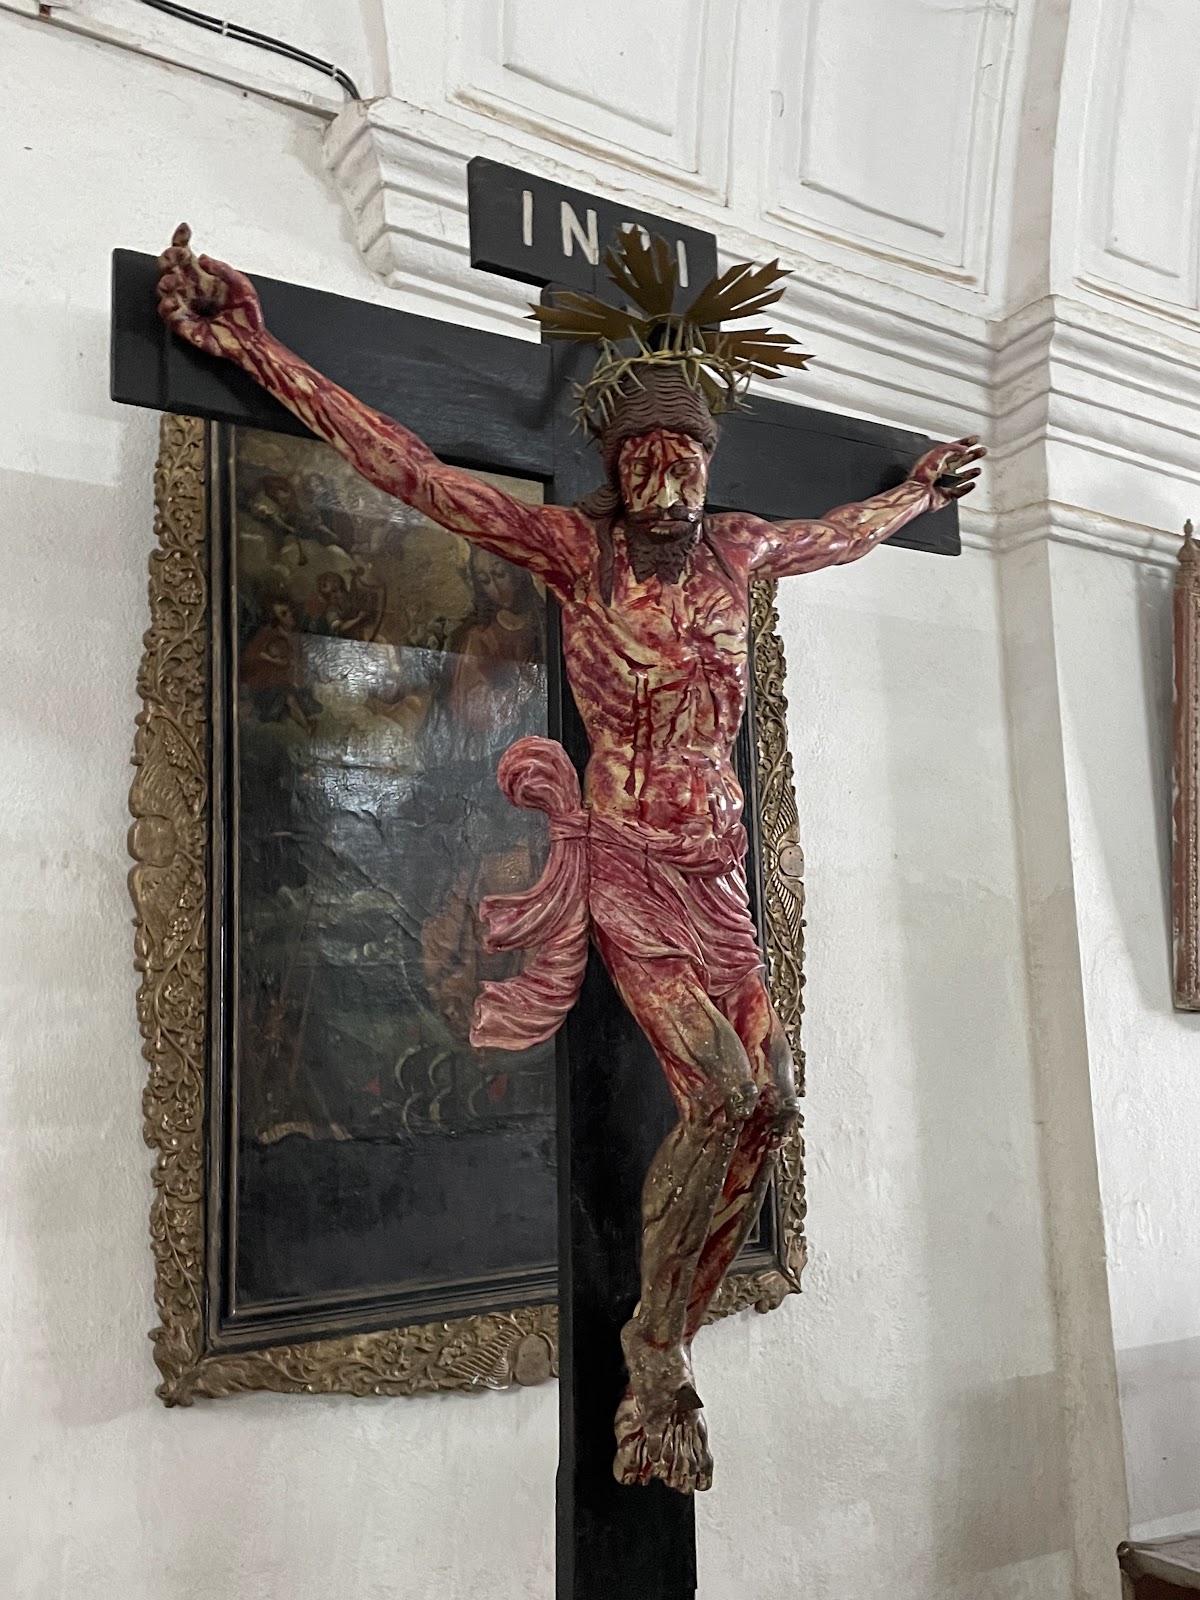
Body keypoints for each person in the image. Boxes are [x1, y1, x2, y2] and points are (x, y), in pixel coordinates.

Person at [157, 223, 983, 1493]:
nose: (670, 479)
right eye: (648, 456)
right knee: (720, 1096)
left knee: (772, 1107)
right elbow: (417, 475)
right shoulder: (575, 553)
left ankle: (668, 1322)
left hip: (721, 882)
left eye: (687, 457)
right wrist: (259, 349)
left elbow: (848, 531)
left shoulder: (741, 550)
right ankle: (658, 1353)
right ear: (616, 462)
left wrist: (922, 490)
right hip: (633, 871)